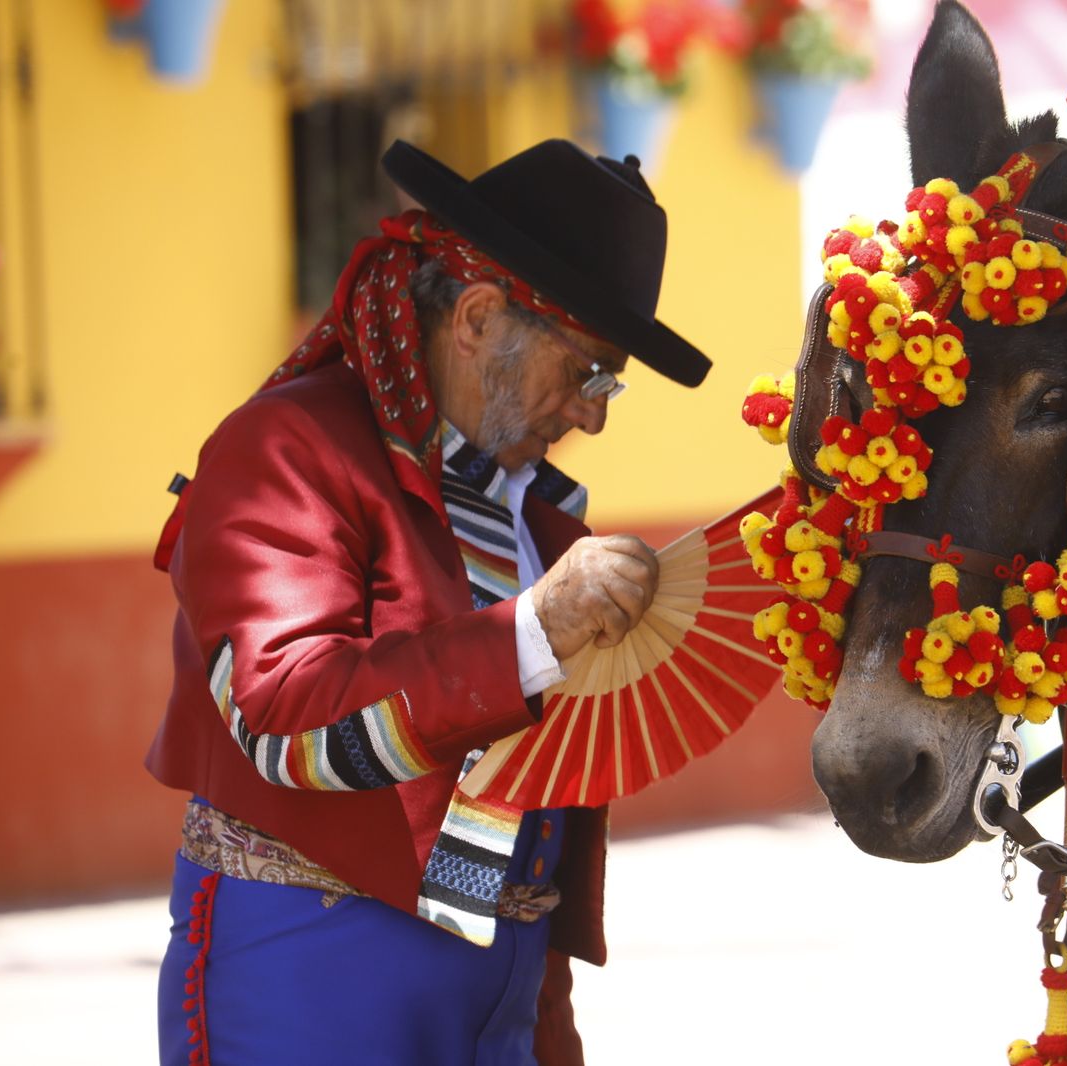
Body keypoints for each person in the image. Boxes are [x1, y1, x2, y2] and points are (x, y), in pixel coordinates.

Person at [145, 139, 712, 1066]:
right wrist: (535, 629)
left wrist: (541, 1014)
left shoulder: (537, 512)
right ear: (481, 318)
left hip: (504, 985)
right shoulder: (284, 451)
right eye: (588, 373)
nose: (595, 415)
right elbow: (283, 717)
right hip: (310, 975)